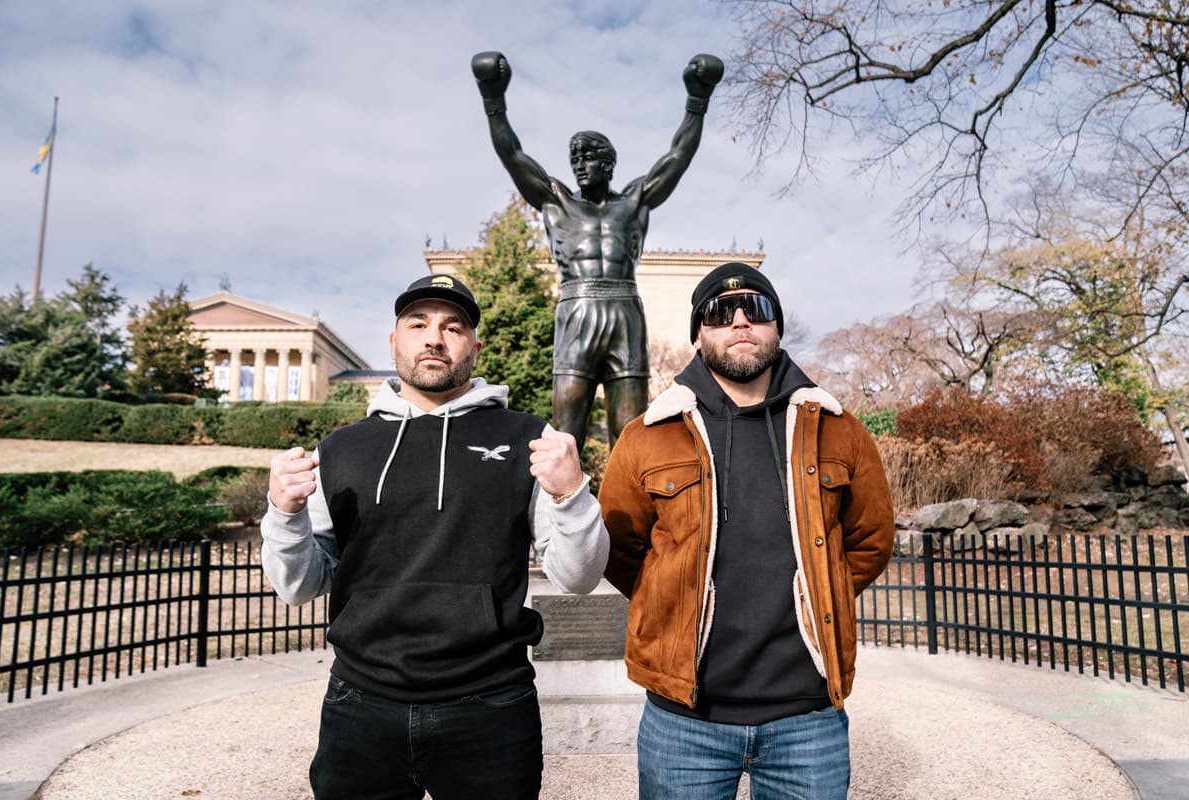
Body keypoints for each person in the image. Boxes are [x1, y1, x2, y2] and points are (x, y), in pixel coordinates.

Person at [260, 274, 609, 800]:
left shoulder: (527, 439)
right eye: (417, 324)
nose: (434, 338)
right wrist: (283, 514)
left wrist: (572, 494)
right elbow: (299, 586)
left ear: (474, 345)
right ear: (395, 340)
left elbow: (578, 578)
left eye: (453, 326)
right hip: (360, 705)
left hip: (490, 706)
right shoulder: (340, 449)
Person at [598, 262, 896, 799]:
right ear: (698, 334)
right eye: (719, 312)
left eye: (755, 310)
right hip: (684, 720)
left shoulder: (839, 428)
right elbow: (620, 548)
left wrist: (820, 590)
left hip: (807, 718)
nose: (739, 321)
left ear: (776, 328)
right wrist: (668, 593)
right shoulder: (646, 436)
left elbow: (871, 539)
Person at [472, 50, 724, 449]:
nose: (578, 165)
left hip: (625, 312)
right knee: (566, 431)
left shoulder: (635, 200)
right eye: (574, 159)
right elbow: (513, 155)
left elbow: (679, 156)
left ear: (609, 165)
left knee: (631, 435)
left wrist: (698, 99)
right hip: (576, 311)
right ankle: (560, 509)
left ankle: (628, 511)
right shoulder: (556, 200)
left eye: (588, 158)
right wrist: (493, 99)